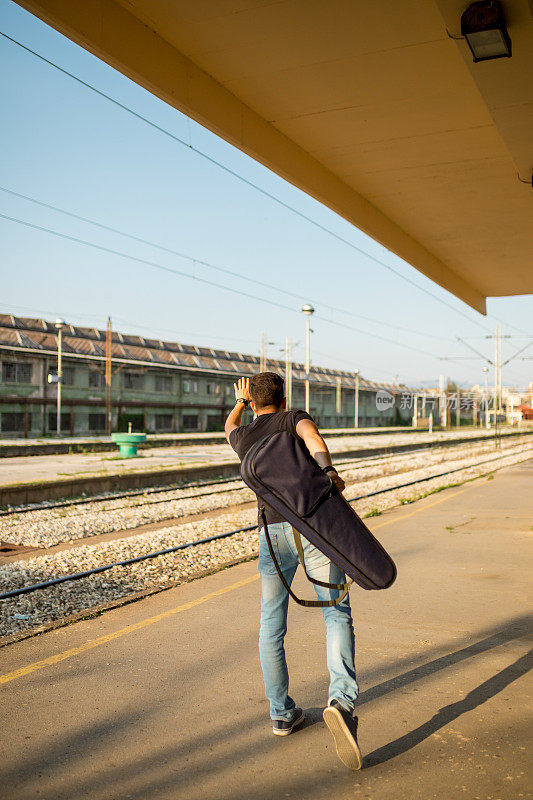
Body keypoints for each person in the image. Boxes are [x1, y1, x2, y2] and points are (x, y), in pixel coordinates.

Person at [225, 372, 362, 770]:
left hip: (271, 534)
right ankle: (341, 700)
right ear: (283, 399)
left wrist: (240, 402)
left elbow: (229, 428)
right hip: (311, 526)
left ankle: (281, 713)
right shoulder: (292, 417)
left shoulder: (245, 434)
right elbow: (315, 443)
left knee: (271, 625)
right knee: (335, 611)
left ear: (253, 403)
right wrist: (328, 473)